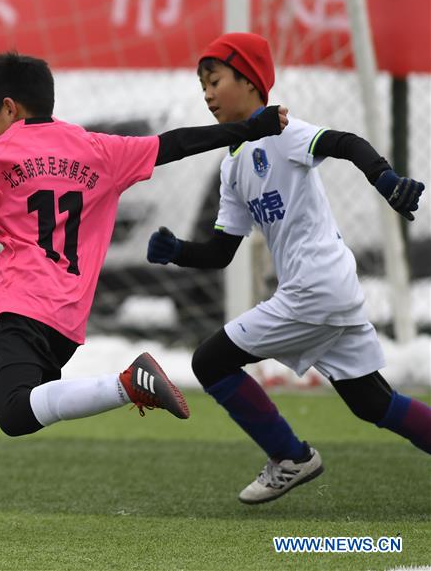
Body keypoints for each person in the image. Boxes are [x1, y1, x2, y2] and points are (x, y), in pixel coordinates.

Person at [0, 51, 289, 531]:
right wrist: (252, 128)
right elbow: (178, 143)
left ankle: (127, 384)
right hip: (65, 323)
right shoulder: (97, 148)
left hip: (21, 309)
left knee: (16, 415)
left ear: (9, 108)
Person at [147, 32, 429, 504]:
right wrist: (177, 251)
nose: (207, 94)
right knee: (372, 403)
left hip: (314, 290)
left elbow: (345, 142)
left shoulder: (281, 130)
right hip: (328, 290)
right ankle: (290, 455)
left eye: (214, 80)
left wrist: (386, 179)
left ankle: (290, 456)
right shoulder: (232, 164)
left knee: (210, 362)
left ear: (251, 82)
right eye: (203, 86)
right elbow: (221, 252)